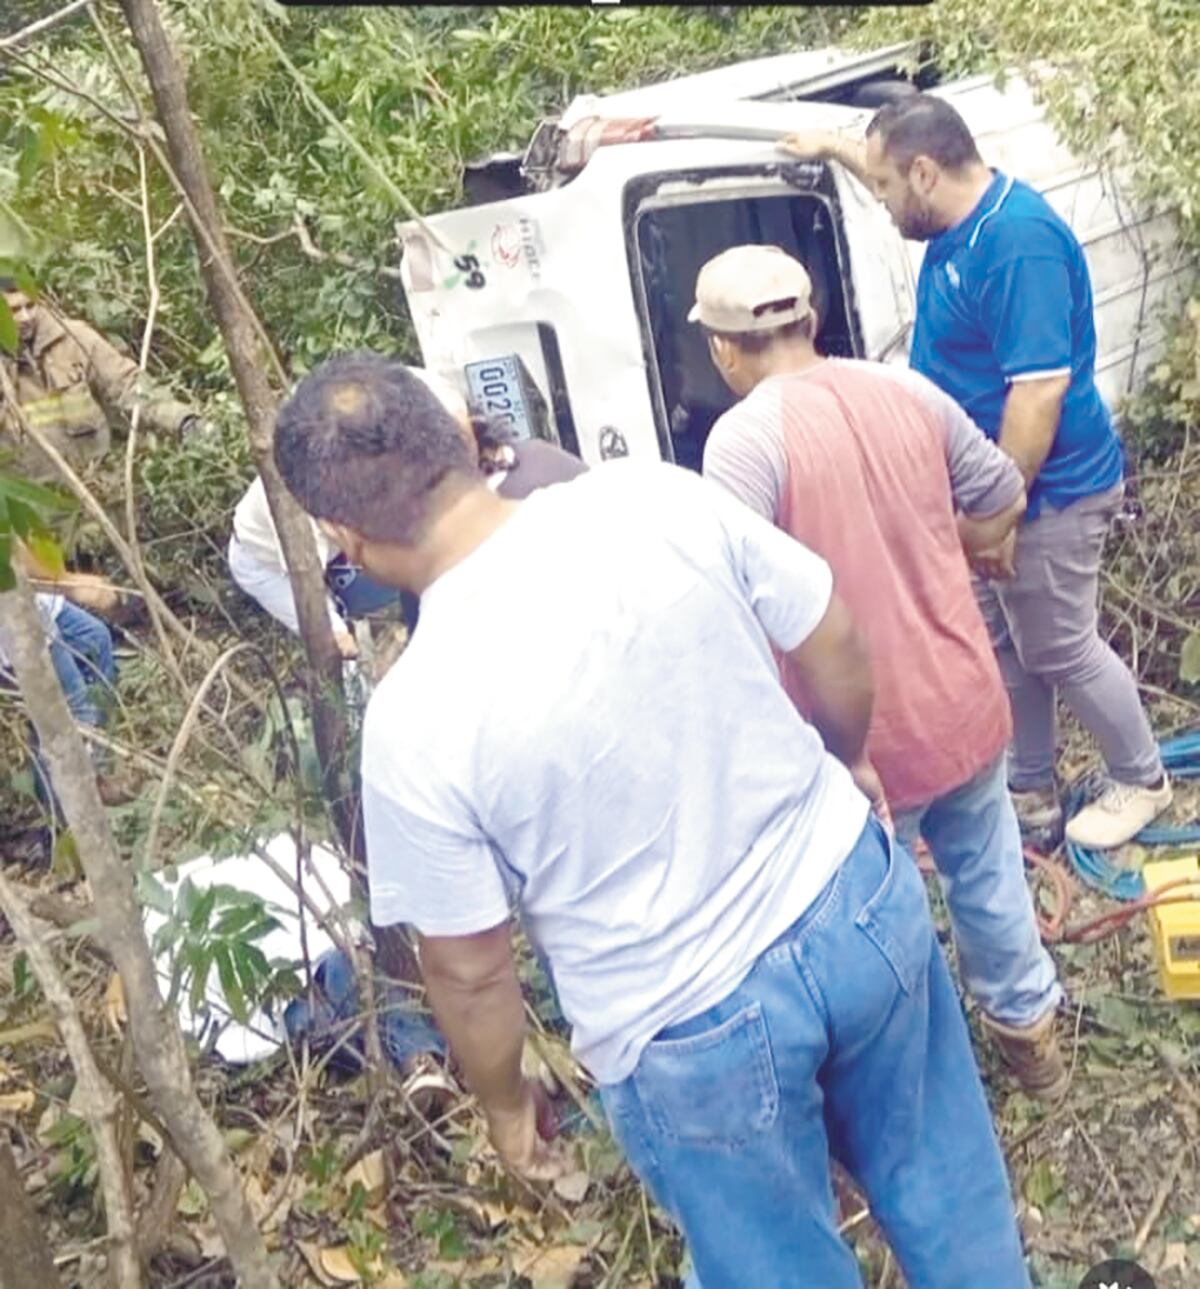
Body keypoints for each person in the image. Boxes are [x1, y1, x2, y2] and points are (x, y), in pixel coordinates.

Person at [271, 351, 1032, 1288]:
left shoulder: (411, 721)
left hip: (686, 1026)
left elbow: (468, 969)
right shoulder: (647, 497)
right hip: (855, 899)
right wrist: (848, 755)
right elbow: (831, 632)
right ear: (468, 439)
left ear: (343, 535)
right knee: (946, 1186)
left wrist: (506, 1103)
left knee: (778, 1264)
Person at [694, 244, 1065, 1097]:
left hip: (857, 741)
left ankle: (913, 1087)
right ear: (810, 318)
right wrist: (955, 545)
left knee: (876, 918)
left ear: (723, 348)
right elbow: (1002, 490)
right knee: (989, 873)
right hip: (963, 696)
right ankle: (1030, 1034)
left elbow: (739, 608)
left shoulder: (743, 444)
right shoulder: (908, 389)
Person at [779, 96, 1171, 850]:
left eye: (889, 188)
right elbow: (884, 167)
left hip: (1049, 490)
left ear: (924, 173)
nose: (884, 203)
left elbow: (1040, 390)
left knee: (1058, 645)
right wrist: (834, 149)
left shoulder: (1014, 243)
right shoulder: (955, 215)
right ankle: (1031, 787)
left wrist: (1001, 509)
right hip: (994, 492)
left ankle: (1142, 778)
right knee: (1007, 644)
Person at [228, 366, 584, 656]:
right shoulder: (299, 515)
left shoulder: (418, 395)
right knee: (340, 644)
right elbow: (308, 581)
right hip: (266, 564)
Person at [0, 278, 207, 480]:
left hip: (95, 487)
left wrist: (181, 420)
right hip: (28, 501)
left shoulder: (74, 338)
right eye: (14, 311)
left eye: (30, 306)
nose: (25, 317)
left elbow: (125, 385)